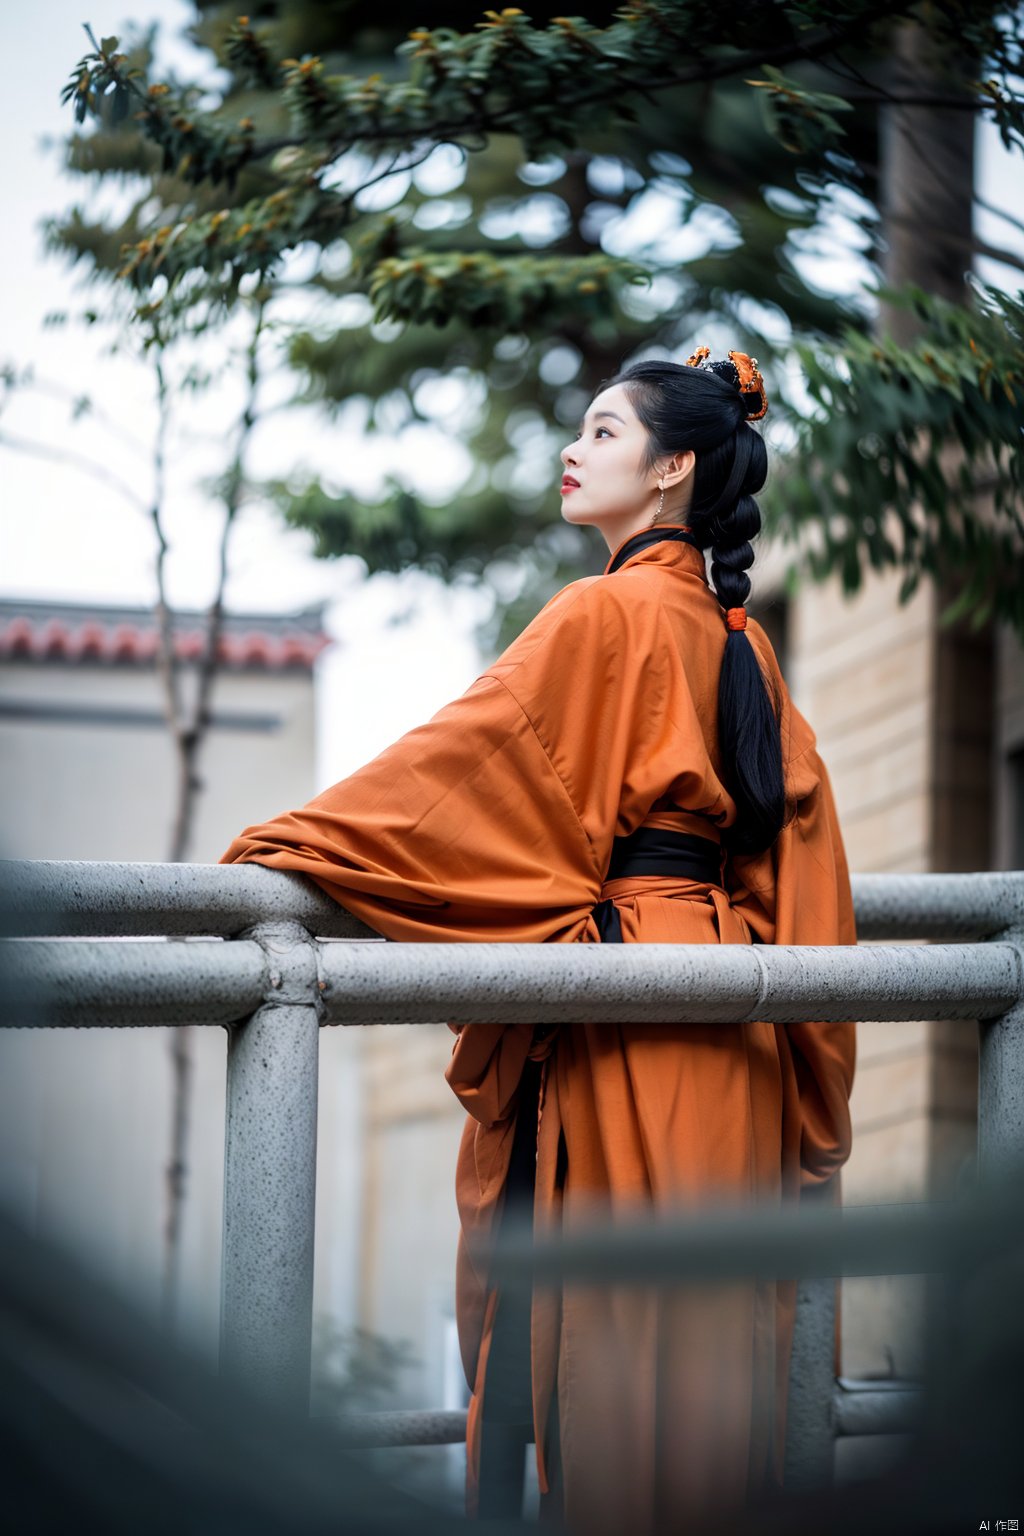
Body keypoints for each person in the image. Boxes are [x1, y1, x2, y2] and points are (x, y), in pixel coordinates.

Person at [218, 347, 857, 1534]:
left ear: (671, 471)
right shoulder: (742, 643)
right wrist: (811, 1083)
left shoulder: (600, 613)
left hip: (622, 1007)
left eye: (604, 434)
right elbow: (805, 864)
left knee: (596, 1372)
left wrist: (290, 844)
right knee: (703, 1381)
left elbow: (457, 769)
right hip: (733, 1024)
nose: (573, 451)